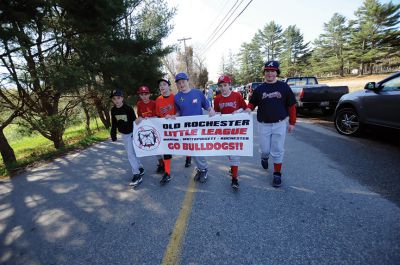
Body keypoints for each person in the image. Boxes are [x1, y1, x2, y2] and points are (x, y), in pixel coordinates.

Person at [245, 61, 296, 188]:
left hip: (279, 123)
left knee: (278, 149)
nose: (270, 74)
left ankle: (277, 174)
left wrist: (292, 122)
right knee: (265, 149)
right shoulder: (259, 89)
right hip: (264, 124)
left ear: (277, 73)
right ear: (264, 74)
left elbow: (291, 106)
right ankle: (264, 157)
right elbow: (251, 104)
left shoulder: (284, 87)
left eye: (272, 71)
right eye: (267, 71)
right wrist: (247, 110)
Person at [174, 72, 216, 183]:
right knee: (191, 151)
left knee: (198, 150)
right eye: (179, 83)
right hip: (186, 129)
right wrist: (174, 116)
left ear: (188, 81)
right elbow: (179, 111)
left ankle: (204, 169)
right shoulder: (177, 97)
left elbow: (206, 105)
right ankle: (200, 168)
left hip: (198, 128)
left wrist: (211, 110)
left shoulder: (197, 93)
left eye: (183, 81)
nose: (181, 84)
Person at [213, 75, 247, 190]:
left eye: (225, 85)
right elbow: (217, 112)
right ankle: (233, 165)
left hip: (236, 129)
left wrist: (237, 111)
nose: (223, 88)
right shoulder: (217, 98)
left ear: (229, 85)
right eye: (221, 86)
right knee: (228, 150)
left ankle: (234, 179)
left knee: (234, 153)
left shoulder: (237, 95)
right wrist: (215, 114)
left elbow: (245, 107)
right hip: (224, 129)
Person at [110, 89, 145, 187]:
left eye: (118, 98)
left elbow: (134, 121)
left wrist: (137, 131)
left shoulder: (128, 109)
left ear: (122, 98)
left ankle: (136, 174)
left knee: (130, 154)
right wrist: (113, 133)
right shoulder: (113, 110)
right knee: (131, 153)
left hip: (131, 133)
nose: (116, 100)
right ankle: (140, 168)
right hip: (124, 134)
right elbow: (114, 123)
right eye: (114, 99)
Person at [136, 85, 164, 175]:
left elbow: (157, 115)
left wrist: (150, 118)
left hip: (155, 127)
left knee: (160, 146)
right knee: (153, 146)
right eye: (142, 94)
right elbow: (139, 116)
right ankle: (161, 163)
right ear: (140, 96)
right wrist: (139, 119)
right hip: (147, 129)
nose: (144, 96)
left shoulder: (153, 103)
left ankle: (165, 163)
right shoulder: (139, 104)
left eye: (146, 94)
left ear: (149, 94)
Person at [154, 77, 176, 184]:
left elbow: (180, 112)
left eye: (164, 84)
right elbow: (158, 116)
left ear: (168, 86)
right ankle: (167, 173)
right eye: (160, 85)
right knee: (166, 150)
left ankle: (188, 157)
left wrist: (173, 116)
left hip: (177, 129)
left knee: (184, 145)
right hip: (165, 130)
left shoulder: (175, 98)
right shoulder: (158, 100)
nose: (162, 86)